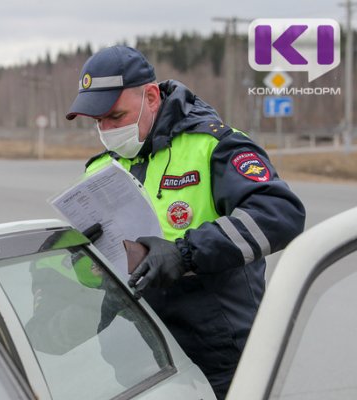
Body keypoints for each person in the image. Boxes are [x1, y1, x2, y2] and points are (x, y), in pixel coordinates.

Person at [66, 45, 306, 399]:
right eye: (98, 121)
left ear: (150, 97)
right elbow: (95, 277)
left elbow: (280, 214)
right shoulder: (100, 169)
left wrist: (185, 253)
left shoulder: (213, 145)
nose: (106, 129)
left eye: (115, 117)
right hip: (139, 363)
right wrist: (87, 261)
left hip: (218, 358)